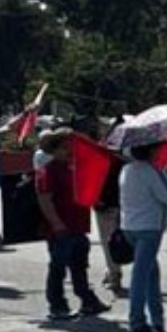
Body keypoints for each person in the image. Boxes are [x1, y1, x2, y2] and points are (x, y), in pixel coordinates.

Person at [34, 129, 110, 321]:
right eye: (64, 148)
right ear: (54, 149)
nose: (69, 151)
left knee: (79, 266)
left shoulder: (74, 168)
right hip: (60, 228)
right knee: (58, 267)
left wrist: (95, 201)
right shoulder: (48, 171)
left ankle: (87, 300)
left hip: (78, 225)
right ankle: (57, 305)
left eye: (71, 148)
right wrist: (56, 224)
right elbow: (45, 199)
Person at [119, 142, 167, 332]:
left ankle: (157, 321)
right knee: (141, 275)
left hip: (129, 225)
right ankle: (137, 322)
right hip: (148, 227)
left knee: (151, 273)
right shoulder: (151, 171)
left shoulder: (127, 169)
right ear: (152, 151)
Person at [94, 159, 125, 295]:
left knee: (107, 241)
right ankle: (112, 272)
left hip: (104, 204)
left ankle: (114, 274)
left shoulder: (99, 160)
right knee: (115, 240)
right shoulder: (123, 162)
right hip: (120, 204)